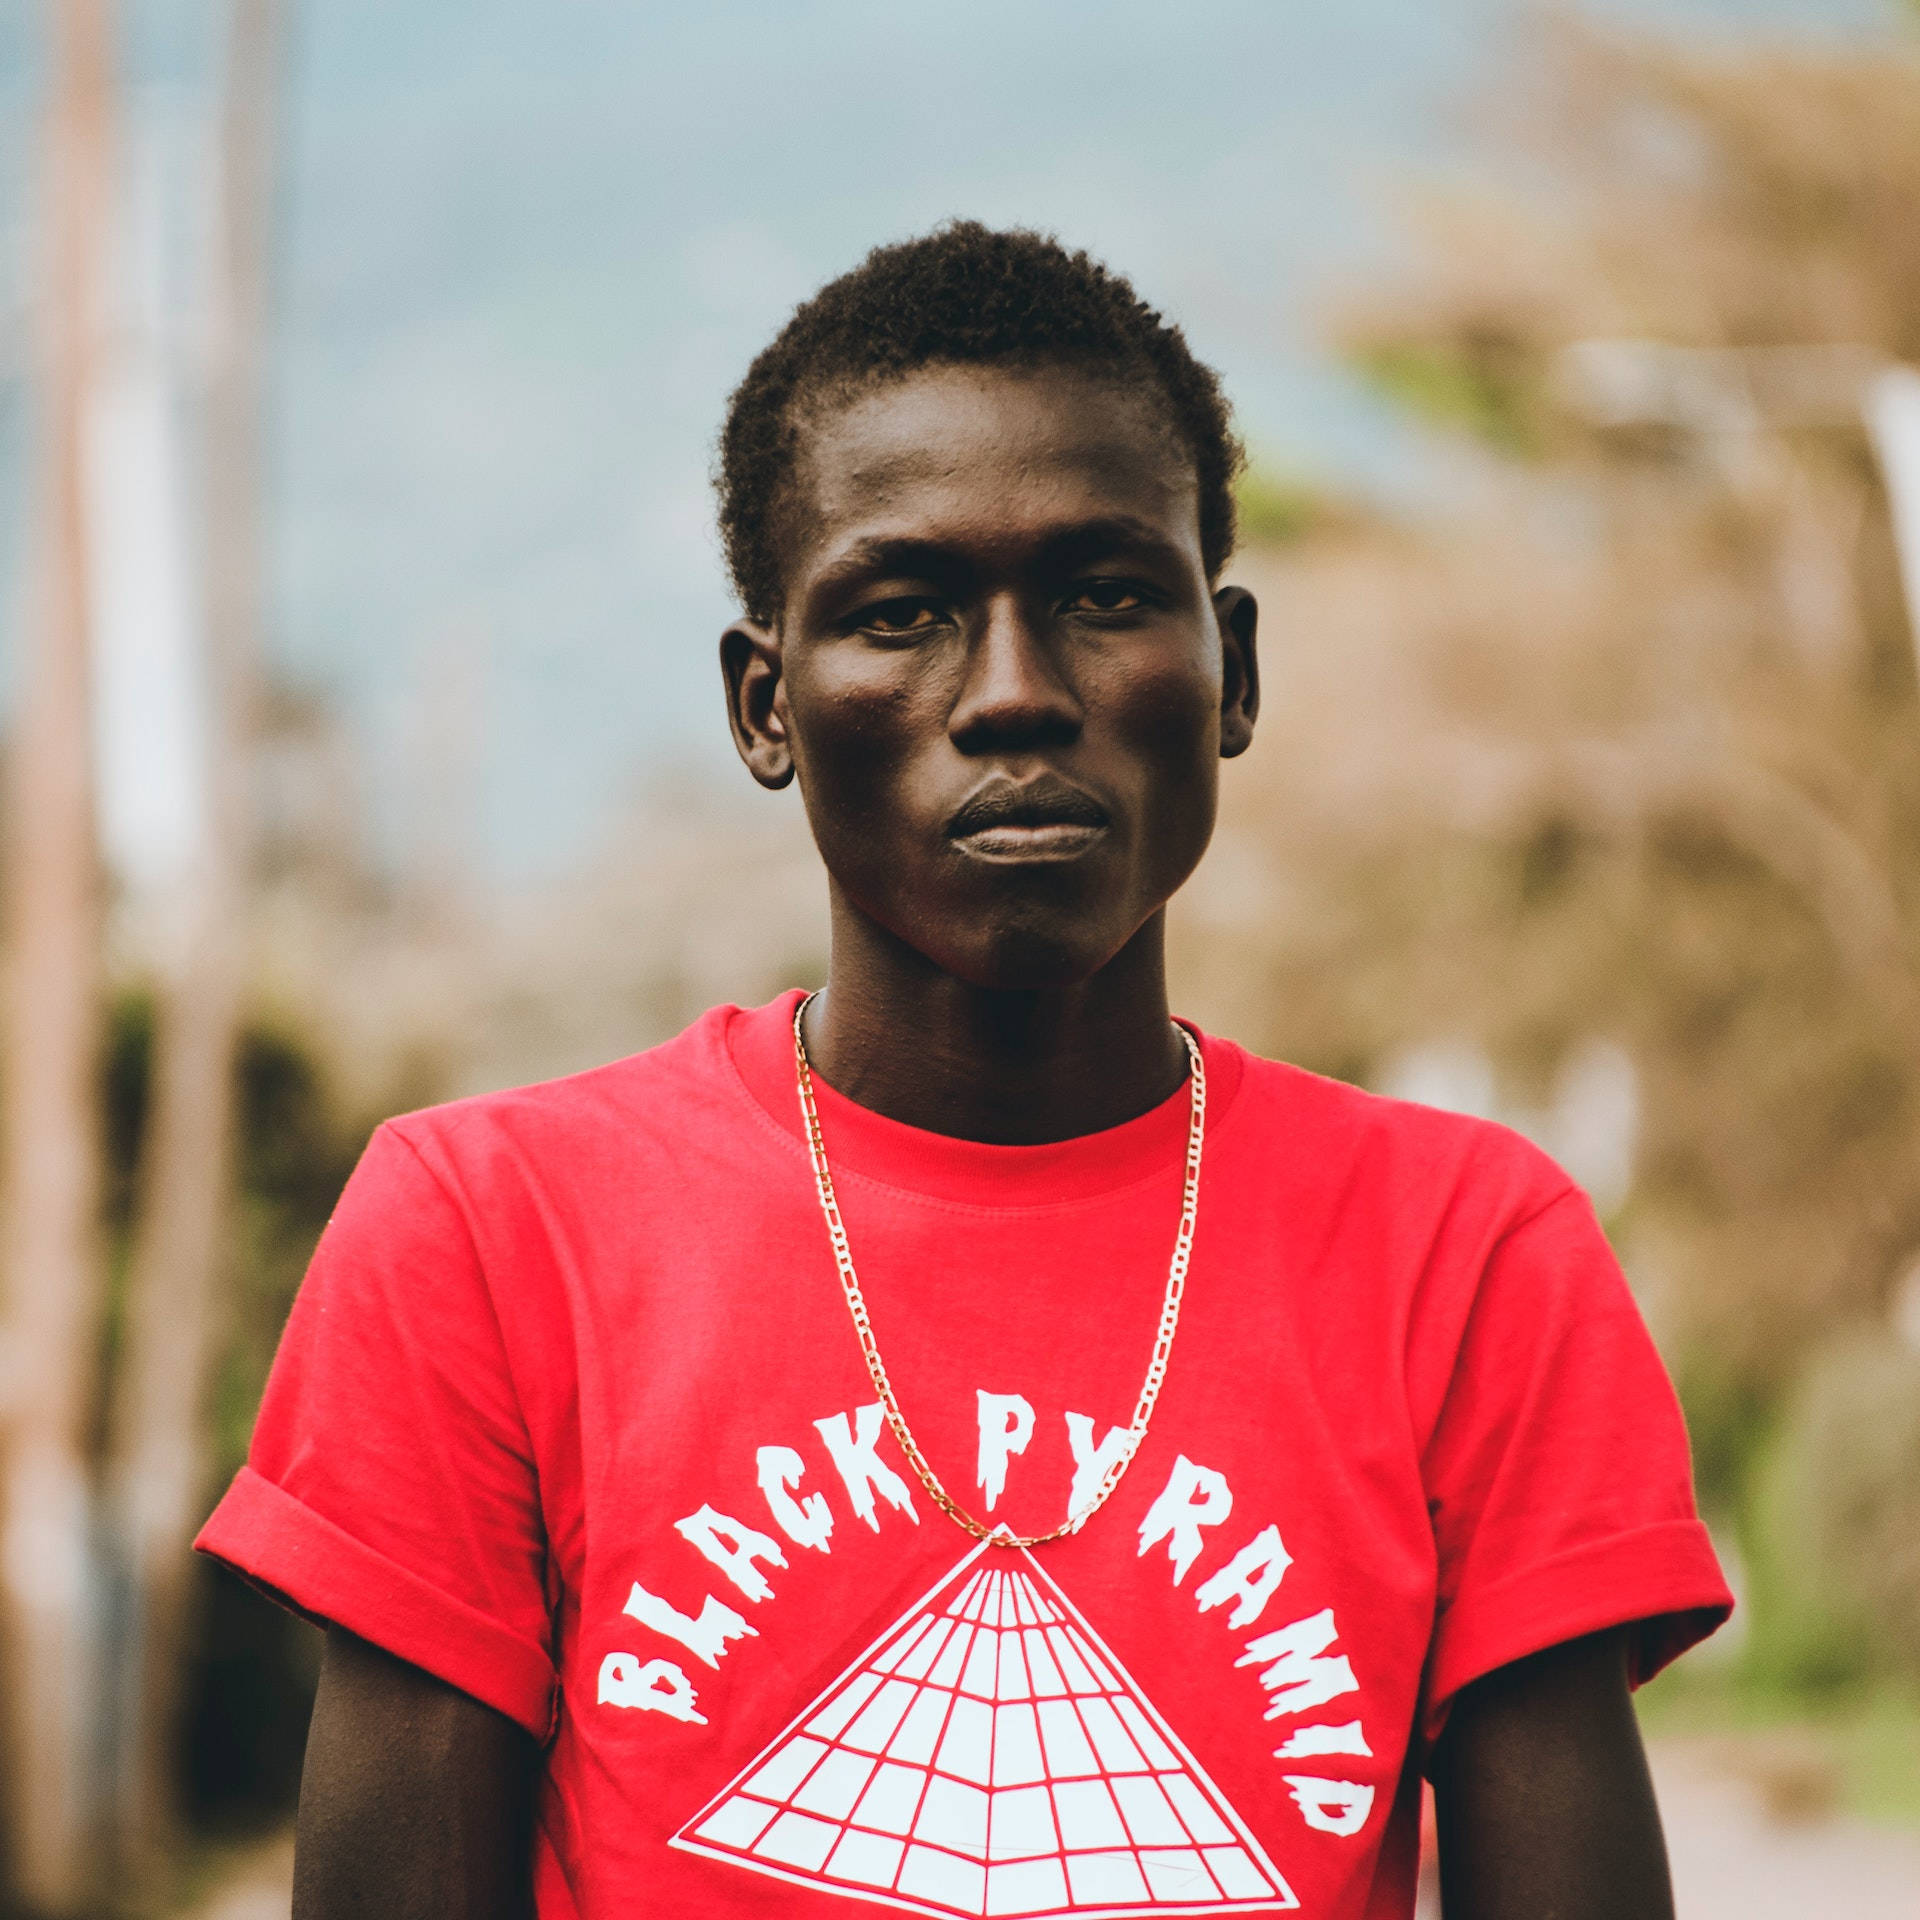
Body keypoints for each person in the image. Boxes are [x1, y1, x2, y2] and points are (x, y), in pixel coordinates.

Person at [198, 223, 1732, 1920]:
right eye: (903, 612)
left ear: (1229, 671)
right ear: (764, 707)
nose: (1013, 695)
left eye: (1103, 595)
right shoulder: (485, 1234)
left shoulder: (1470, 1251)